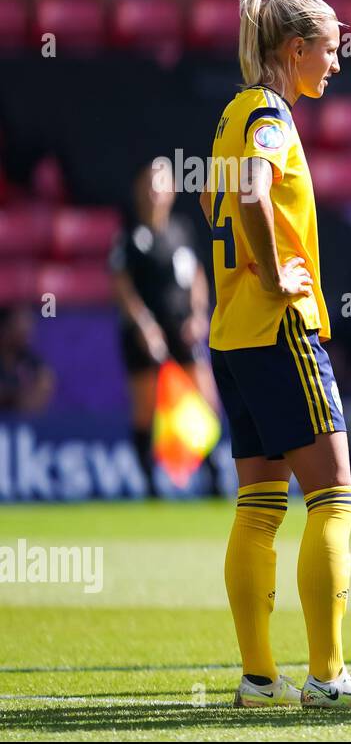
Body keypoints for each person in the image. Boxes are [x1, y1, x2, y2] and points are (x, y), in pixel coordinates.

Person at [203, 0, 351, 709]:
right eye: (330, 48)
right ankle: (327, 677)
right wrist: (276, 267)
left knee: (258, 508)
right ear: (296, 49)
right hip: (278, 327)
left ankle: (261, 679)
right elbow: (253, 194)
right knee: (335, 501)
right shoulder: (269, 117)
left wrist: (247, 259)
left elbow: (213, 198)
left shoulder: (234, 113)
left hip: (232, 334)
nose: (338, 63)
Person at [111, 159, 220, 497]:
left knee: (205, 403)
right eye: (149, 182)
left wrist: (199, 316)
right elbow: (123, 287)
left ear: (172, 189)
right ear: (139, 189)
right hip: (145, 337)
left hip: (183, 331)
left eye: (161, 182)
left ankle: (214, 477)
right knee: (146, 411)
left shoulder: (182, 231)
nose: (155, 190)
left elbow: (198, 277)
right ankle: (149, 485)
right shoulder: (129, 238)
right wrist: (144, 327)